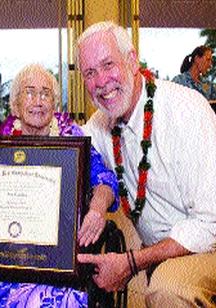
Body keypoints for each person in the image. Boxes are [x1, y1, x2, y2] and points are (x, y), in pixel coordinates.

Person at [0, 64, 119, 307]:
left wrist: (97, 209)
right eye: (30, 92)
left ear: (54, 103)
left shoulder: (73, 139)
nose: (38, 101)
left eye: (46, 94)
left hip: (55, 260)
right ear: (15, 104)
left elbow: (105, 180)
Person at [76, 21, 216, 307]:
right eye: (90, 72)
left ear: (132, 60)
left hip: (209, 246)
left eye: (108, 64)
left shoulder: (186, 110)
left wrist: (131, 261)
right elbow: (60, 152)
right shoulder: (100, 126)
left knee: (169, 288)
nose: (101, 82)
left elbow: (209, 223)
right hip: (161, 256)